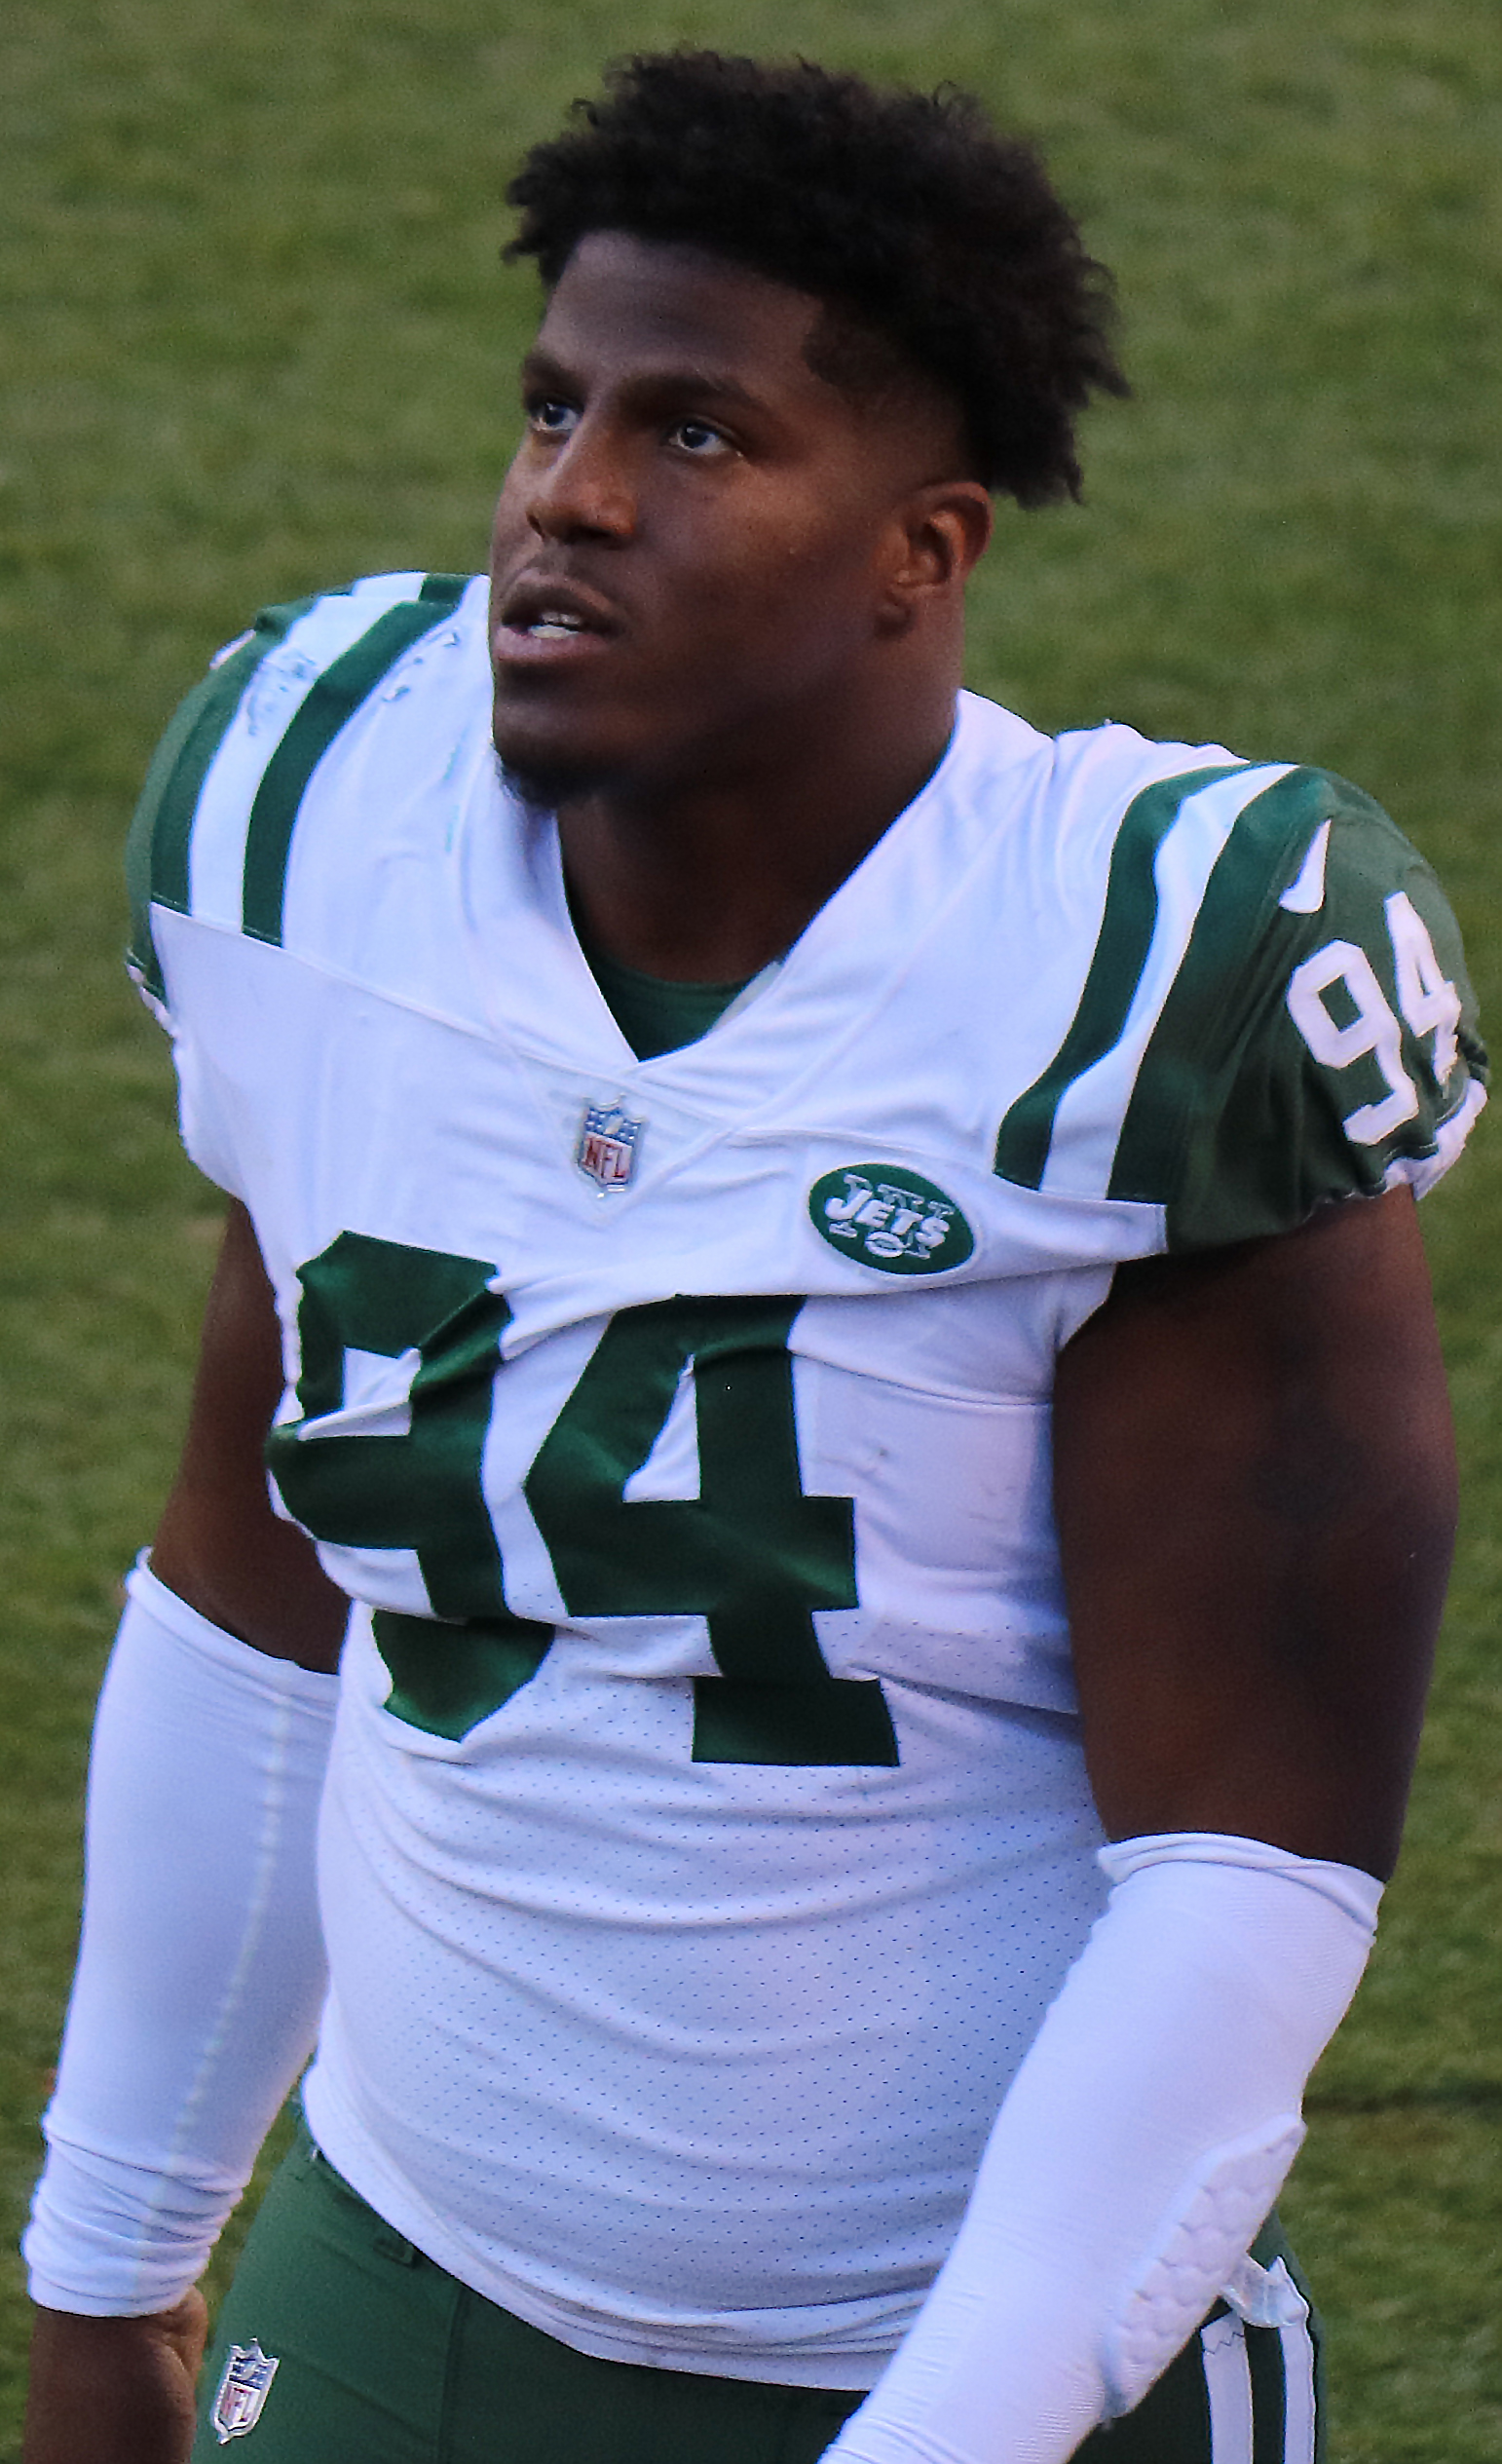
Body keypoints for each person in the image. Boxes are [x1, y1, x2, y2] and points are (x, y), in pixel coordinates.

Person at [21, 50, 1485, 2464]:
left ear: (925, 548)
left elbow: (1249, 1876)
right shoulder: (311, 806)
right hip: (402, 2286)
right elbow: (261, 1589)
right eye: (551, 407)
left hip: (978, 2343)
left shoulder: (1147, 969)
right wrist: (110, 2265)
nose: (567, 500)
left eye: (696, 437)